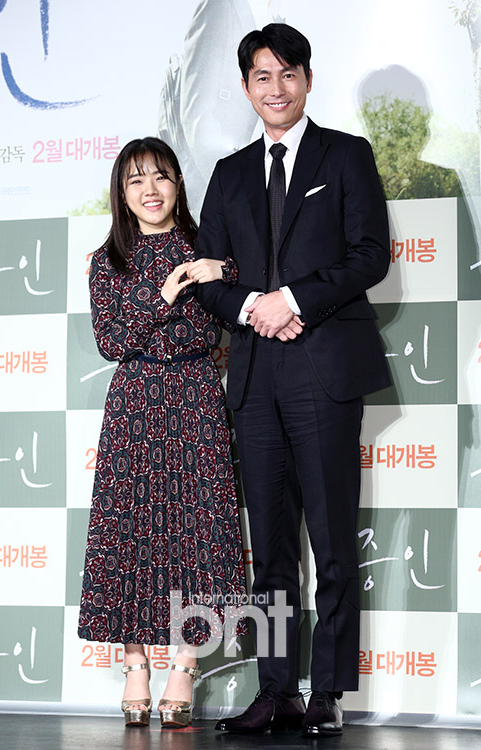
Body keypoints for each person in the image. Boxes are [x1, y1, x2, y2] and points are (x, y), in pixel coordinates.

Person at [193, 23, 391, 737]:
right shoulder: (230, 172)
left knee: (332, 539)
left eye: (287, 74)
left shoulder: (346, 156)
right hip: (253, 375)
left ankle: (329, 690)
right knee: (270, 548)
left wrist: (294, 299)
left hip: (324, 369)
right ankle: (275, 687)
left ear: (306, 80)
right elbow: (208, 275)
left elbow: (372, 254)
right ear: (246, 87)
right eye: (260, 77)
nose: (274, 89)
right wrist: (252, 307)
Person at [77, 136, 247, 729]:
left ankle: (185, 663)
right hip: (134, 403)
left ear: (178, 183)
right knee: (129, 532)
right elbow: (112, 341)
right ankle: (134, 668)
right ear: (122, 193)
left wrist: (221, 270)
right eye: (136, 180)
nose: (150, 190)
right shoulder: (107, 260)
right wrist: (163, 294)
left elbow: (235, 310)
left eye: (161, 177)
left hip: (197, 396)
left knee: (196, 531)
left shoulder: (208, 248)